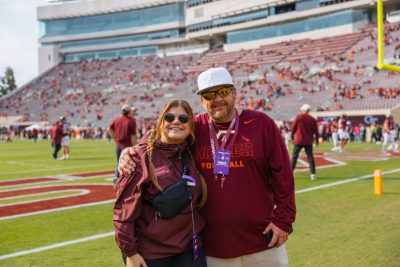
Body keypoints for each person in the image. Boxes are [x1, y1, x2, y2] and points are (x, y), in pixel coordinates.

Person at [119, 67, 296, 267]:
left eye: (223, 92)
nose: (217, 99)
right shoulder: (194, 128)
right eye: (210, 94)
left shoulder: (261, 124)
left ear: (234, 93)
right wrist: (132, 150)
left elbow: (284, 177)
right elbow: (162, 137)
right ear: (202, 101)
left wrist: (284, 221)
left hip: (264, 242)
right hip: (213, 249)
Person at [113, 99, 208, 267]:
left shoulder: (193, 150)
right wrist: (130, 252)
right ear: (161, 121)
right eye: (169, 117)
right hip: (152, 252)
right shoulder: (139, 157)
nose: (176, 122)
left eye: (184, 119)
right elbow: (124, 211)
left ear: (191, 125)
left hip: (189, 248)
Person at [108, 104, 138, 182]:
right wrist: (136, 146)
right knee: (131, 163)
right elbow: (133, 136)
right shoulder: (131, 121)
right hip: (128, 146)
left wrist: (115, 138)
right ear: (129, 111)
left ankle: (117, 177)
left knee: (119, 162)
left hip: (118, 144)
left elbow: (109, 129)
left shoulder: (117, 119)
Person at [290, 104, 319, 180]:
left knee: (294, 157)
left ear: (303, 110)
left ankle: (289, 173)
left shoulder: (299, 117)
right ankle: (313, 174)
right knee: (310, 157)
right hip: (308, 141)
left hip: (299, 140)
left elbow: (293, 127)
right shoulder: (312, 119)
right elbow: (316, 131)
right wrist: (317, 140)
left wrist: (292, 137)